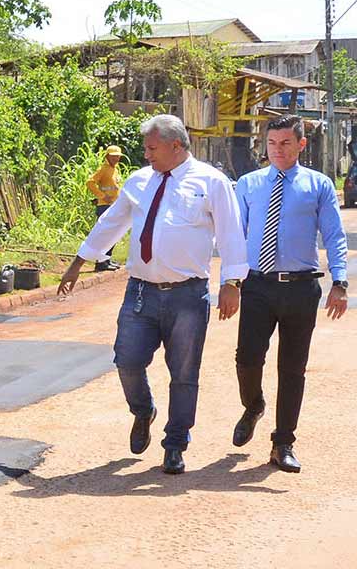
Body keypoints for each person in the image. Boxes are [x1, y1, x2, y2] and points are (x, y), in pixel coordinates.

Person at [58, 114, 248, 475]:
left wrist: (231, 282)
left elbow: (230, 233)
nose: (145, 154)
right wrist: (79, 261)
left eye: (151, 148)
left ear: (176, 146)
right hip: (141, 292)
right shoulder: (139, 181)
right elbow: (111, 223)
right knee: (127, 361)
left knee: (184, 372)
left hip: (188, 296)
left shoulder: (211, 181)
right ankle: (143, 410)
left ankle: (175, 444)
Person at [231, 114, 348, 473]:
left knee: (292, 368)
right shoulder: (248, 184)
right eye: (271, 143)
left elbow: (333, 234)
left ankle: (283, 442)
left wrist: (339, 282)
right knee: (247, 358)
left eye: (285, 143)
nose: (277, 150)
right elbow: (236, 237)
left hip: (300, 288)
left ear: (300, 144)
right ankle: (253, 405)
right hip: (257, 286)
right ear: (264, 145)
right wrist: (231, 283)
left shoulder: (319, 185)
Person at [86, 145, 124, 272]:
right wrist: (101, 196)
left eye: (118, 156)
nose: (116, 158)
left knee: (113, 235)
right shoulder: (103, 169)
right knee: (105, 235)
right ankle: (100, 263)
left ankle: (106, 260)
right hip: (104, 206)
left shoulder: (115, 170)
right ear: (107, 156)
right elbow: (90, 182)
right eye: (113, 156)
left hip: (114, 206)